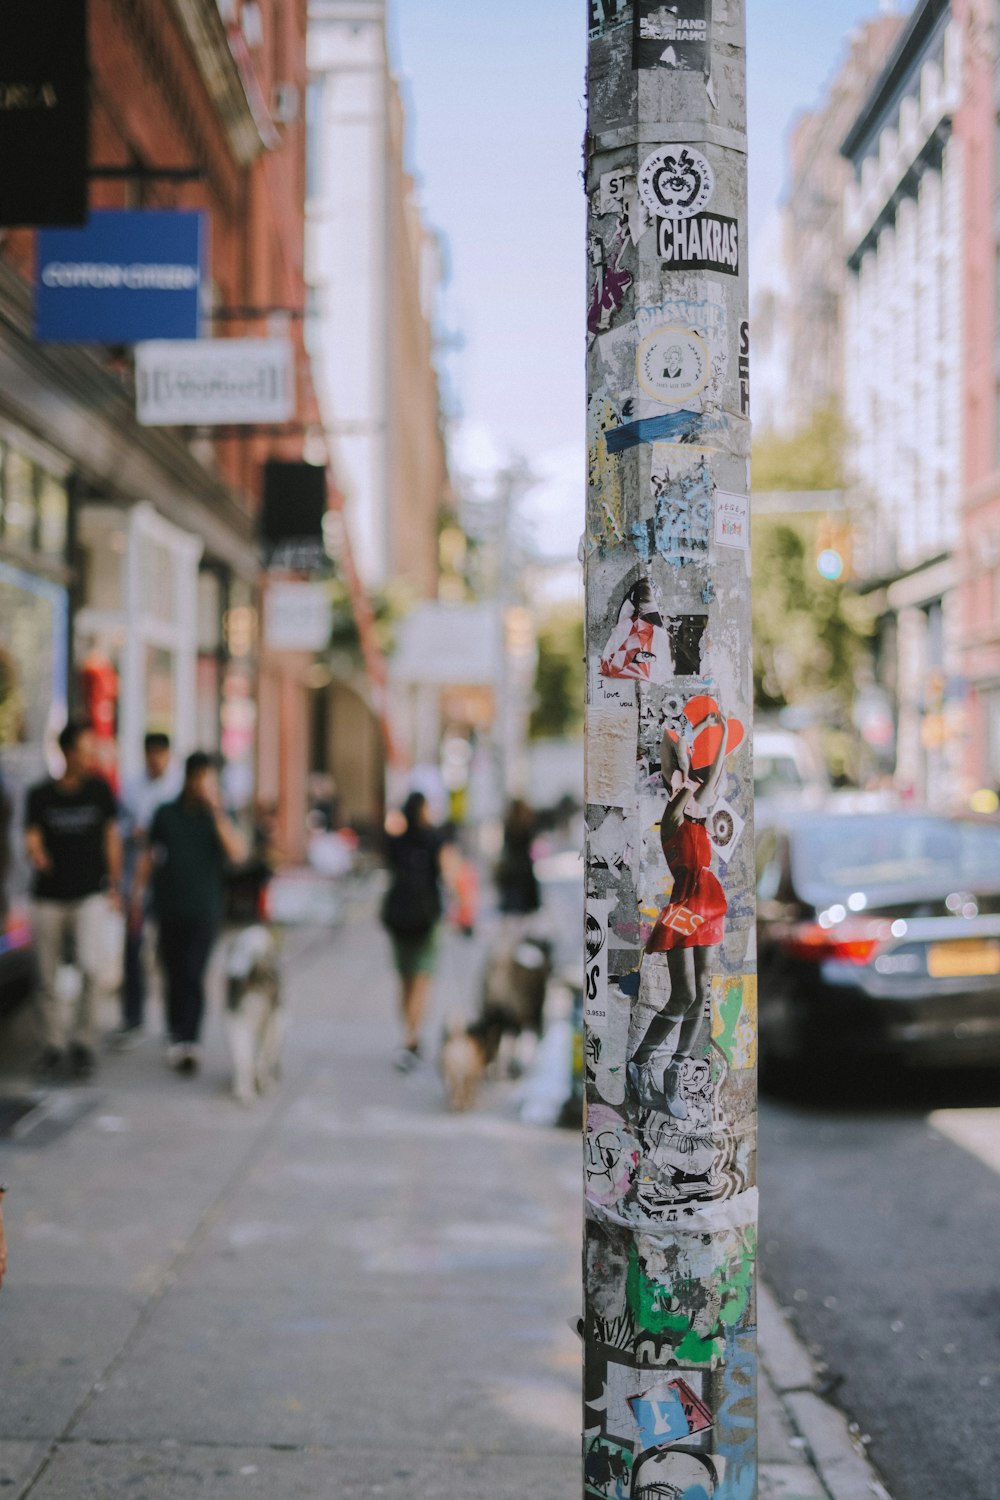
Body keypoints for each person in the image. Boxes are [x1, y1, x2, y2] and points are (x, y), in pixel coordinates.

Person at [627, 698, 742, 1118]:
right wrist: (684, 753)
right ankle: (640, 1061)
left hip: (708, 903)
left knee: (702, 993)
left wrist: (721, 728)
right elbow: (684, 788)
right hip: (684, 906)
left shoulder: (696, 815)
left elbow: (718, 770)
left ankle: (674, 1073)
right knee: (685, 993)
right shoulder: (673, 818)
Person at [131, 752, 246, 1075]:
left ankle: (189, 1039)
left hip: (204, 908)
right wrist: (136, 897)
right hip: (168, 907)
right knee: (173, 972)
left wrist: (217, 812)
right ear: (189, 778)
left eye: (209, 780)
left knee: (194, 972)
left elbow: (237, 852)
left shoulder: (217, 816)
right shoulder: (165, 814)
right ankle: (176, 1031)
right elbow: (148, 857)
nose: (204, 786)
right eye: (200, 779)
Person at [25, 721, 122, 1081]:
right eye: (83, 750)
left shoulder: (99, 791)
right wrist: (37, 854)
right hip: (48, 897)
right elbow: (31, 836)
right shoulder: (41, 794)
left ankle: (82, 1043)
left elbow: (111, 837)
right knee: (46, 976)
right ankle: (52, 1046)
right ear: (66, 752)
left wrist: (114, 885)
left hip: (89, 894)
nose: (89, 757)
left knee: (90, 967)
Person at [113, 731, 181, 1045]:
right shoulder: (130, 788)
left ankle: (174, 1020)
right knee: (133, 950)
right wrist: (134, 833)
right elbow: (117, 829)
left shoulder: (177, 789)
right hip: (135, 884)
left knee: (170, 952)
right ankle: (132, 1015)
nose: (155, 759)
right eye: (150, 753)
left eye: (160, 753)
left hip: (166, 883)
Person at [381, 791, 455, 1071]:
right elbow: (449, 876)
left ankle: (407, 1034)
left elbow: (387, 848)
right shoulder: (435, 840)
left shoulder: (397, 842)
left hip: (399, 918)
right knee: (421, 980)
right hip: (426, 919)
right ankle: (411, 1037)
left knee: (405, 979)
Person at [495, 798, 540, 917]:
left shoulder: (509, 825)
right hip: (524, 869)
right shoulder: (527, 825)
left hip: (513, 869)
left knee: (514, 909)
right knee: (525, 909)